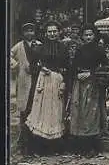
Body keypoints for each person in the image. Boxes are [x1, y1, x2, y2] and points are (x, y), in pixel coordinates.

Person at [24, 21, 69, 155]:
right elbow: (32, 66)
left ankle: (54, 147)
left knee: (55, 112)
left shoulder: (63, 48)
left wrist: (64, 82)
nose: (52, 34)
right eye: (50, 32)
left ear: (59, 32)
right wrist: (40, 68)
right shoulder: (40, 48)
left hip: (57, 82)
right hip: (43, 82)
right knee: (41, 113)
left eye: (55, 31)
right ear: (46, 33)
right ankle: (40, 147)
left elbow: (67, 67)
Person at [69, 24, 109, 156]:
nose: (88, 37)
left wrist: (92, 73)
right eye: (86, 35)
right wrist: (77, 74)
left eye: (90, 35)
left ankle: (92, 145)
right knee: (80, 112)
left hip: (94, 85)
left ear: (94, 36)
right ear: (82, 36)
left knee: (92, 114)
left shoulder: (99, 50)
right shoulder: (79, 50)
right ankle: (81, 145)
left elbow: (105, 68)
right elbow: (74, 66)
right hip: (80, 84)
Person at [10, 22, 42, 153]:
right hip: (24, 80)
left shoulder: (39, 45)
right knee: (24, 111)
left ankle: (35, 143)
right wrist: (15, 65)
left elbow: (44, 59)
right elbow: (9, 56)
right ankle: (23, 142)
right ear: (23, 33)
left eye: (31, 31)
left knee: (35, 109)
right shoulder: (18, 46)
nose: (29, 33)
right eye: (27, 31)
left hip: (37, 78)